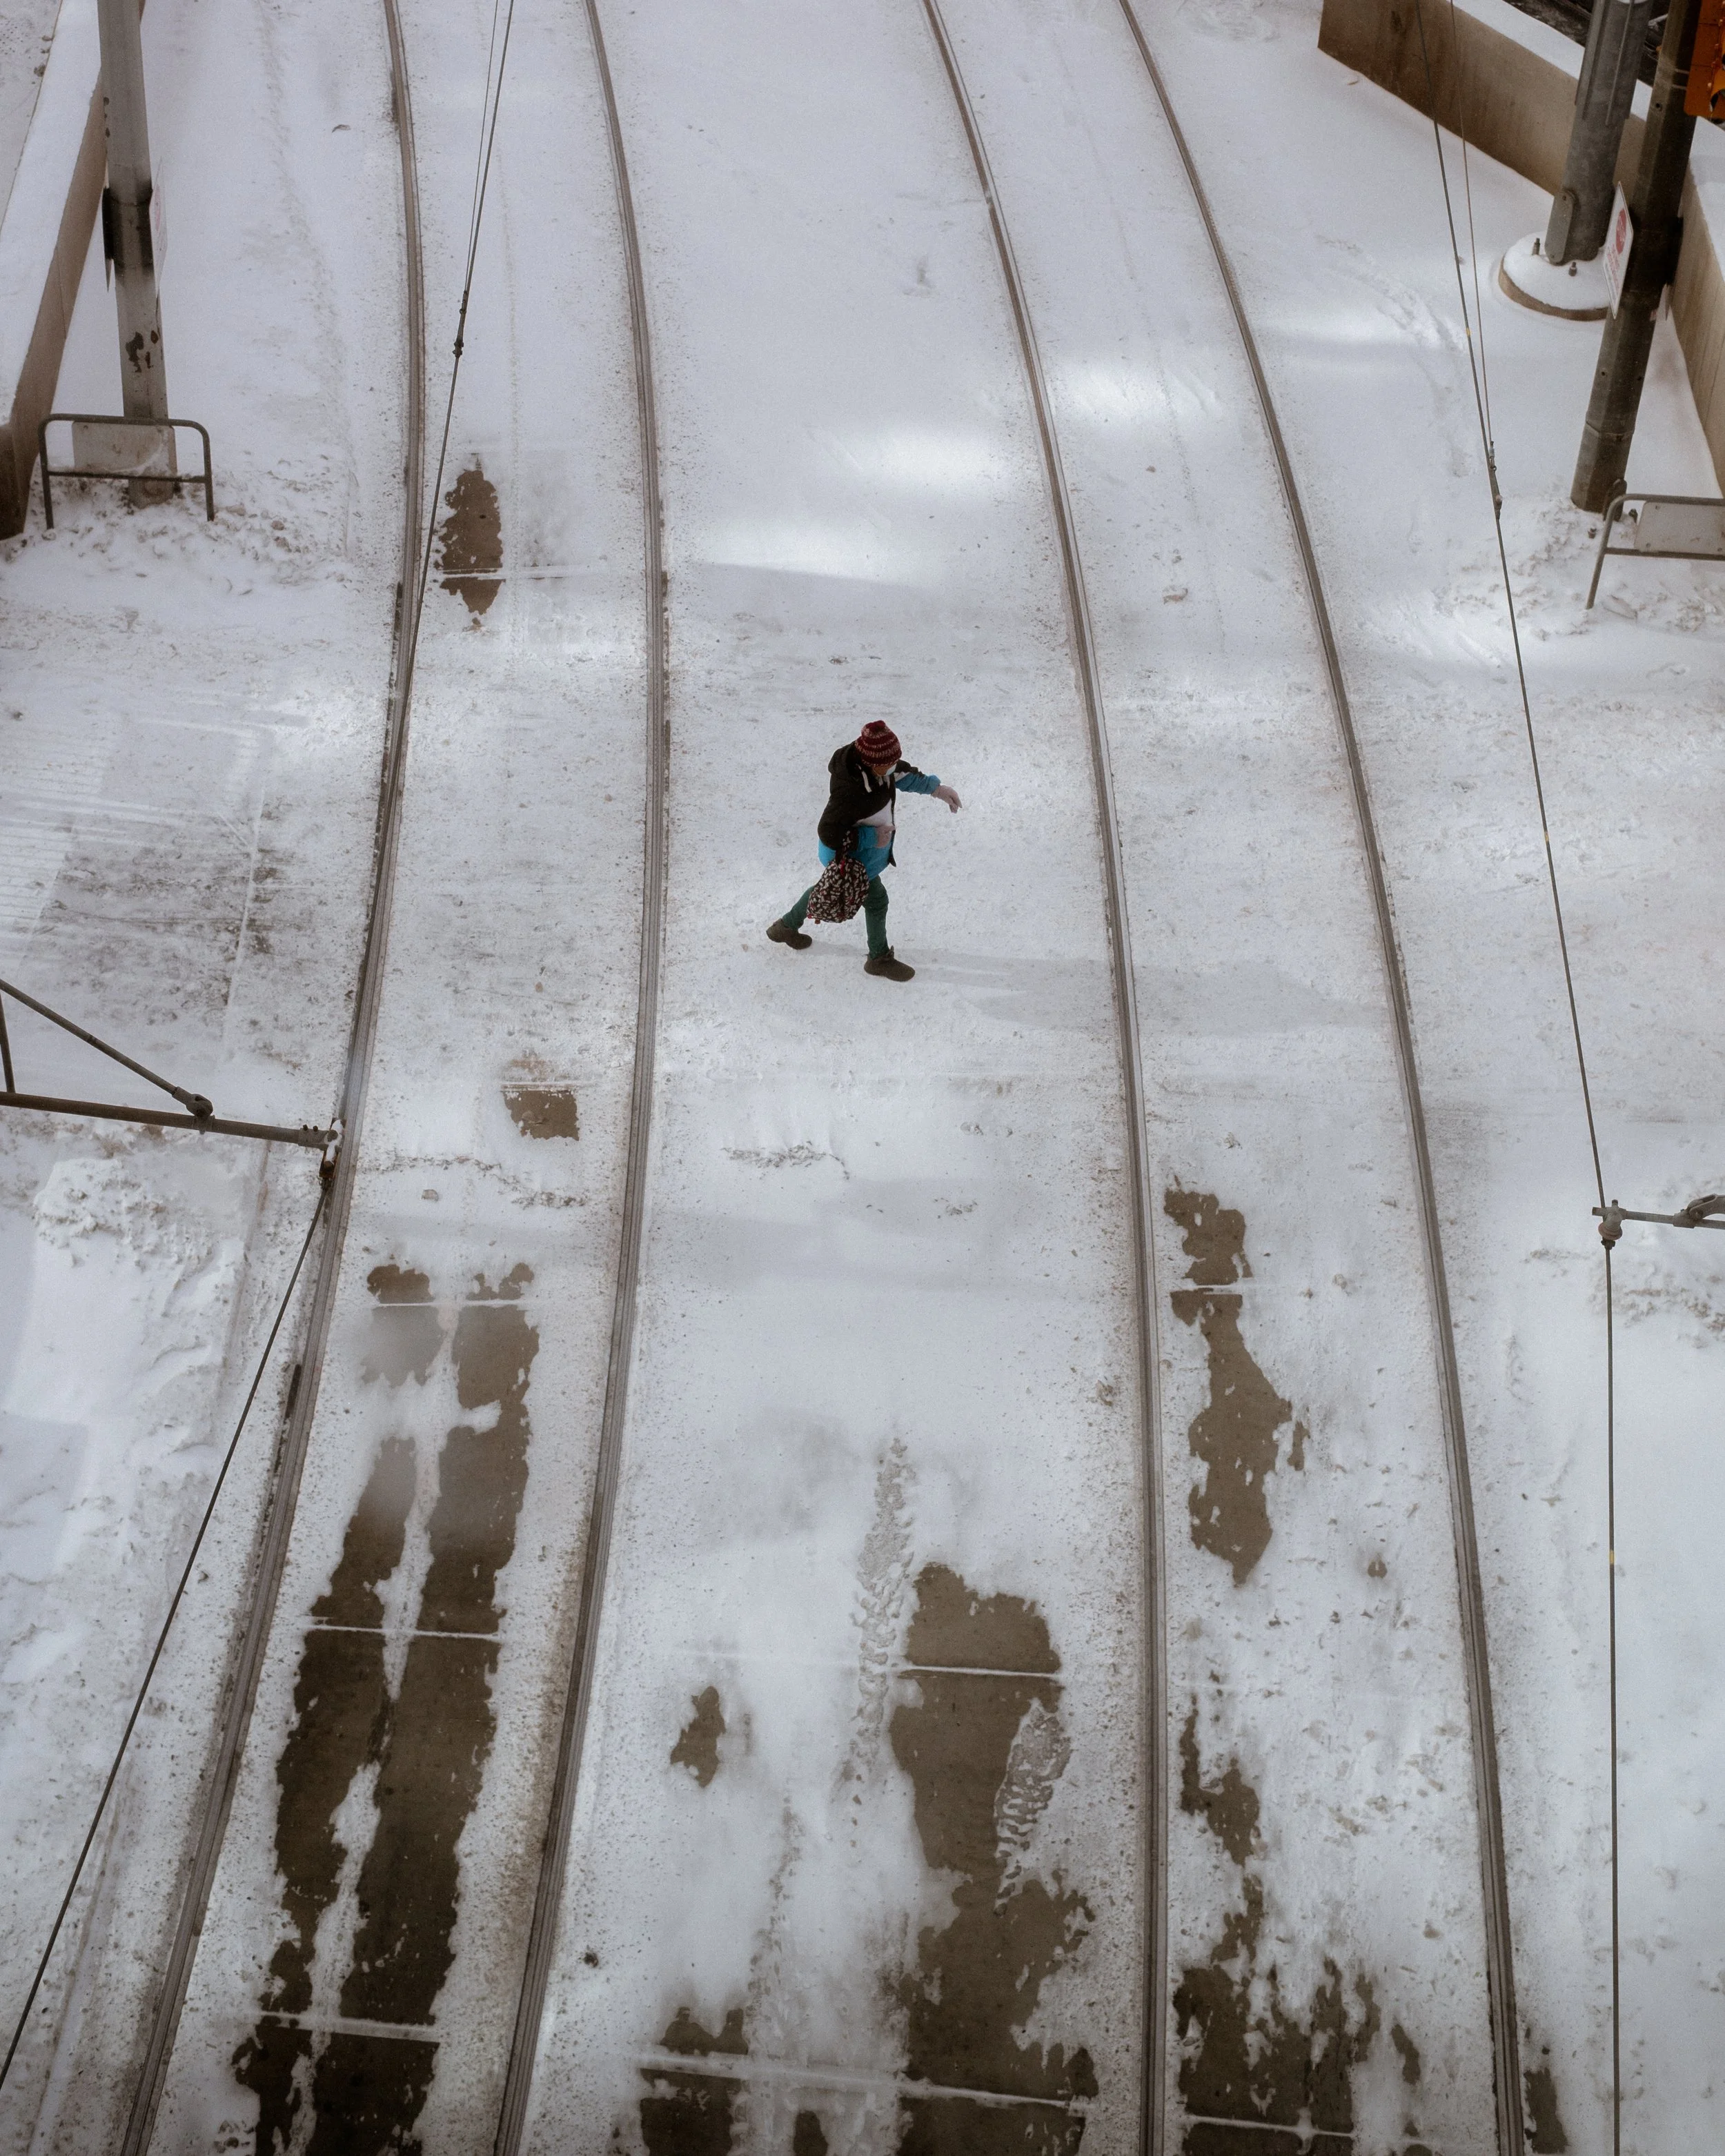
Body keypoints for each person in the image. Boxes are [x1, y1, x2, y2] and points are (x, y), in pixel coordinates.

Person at [767, 721, 961, 981]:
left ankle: (786, 927)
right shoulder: (850, 790)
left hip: (863, 857)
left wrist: (938, 790)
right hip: (851, 858)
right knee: (877, 900)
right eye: (889, 764)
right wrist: (870, 837)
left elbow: (904, 774)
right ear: (871, 763)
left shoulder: (880, 766)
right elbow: (828, 831)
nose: (894, 767)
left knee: (825, 889)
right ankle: (878, 959)